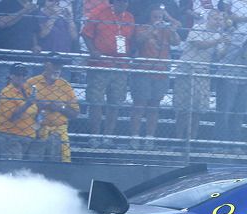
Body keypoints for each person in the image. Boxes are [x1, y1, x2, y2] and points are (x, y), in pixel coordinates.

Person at [82, 0, 135, 148]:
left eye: (126, 2)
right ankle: (94, 136)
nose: (124, 4)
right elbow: (86, 33)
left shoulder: (130, 17)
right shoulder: (100, 11)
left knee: (115, 103)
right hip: (100, 65)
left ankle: (108, 137)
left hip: (120, 66)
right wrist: (93, 50)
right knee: (96, 102)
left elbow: (131, 40)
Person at [129, 4, 181, 150]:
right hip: (143, 71)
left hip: (161, 72)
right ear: (149, 17)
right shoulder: (142, 27)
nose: (158, 20)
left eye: (160, 17)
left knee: (154, 107)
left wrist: (171, 28)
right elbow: (138, 40)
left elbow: (177, 42)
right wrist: (153, 28)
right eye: (155, 17)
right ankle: (134, 137)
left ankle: (149, 138)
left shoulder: (166, 30)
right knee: (139, 105)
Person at [214, 11, 247, 142]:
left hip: (246, 80)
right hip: (228, 76)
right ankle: (219, 143)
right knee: (224, 112)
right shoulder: (241, 32)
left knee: (239, 113)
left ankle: (234, 143)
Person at [175, 9, 228, 141]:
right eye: (215, 18)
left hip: (203, 72)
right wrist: (218, 41)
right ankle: (178, 138)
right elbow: (199, 45)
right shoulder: (198, 28)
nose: (218, 21)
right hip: (187, 70)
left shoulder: (219, 35)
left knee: (198, 109)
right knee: (183, 108)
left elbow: (219, 56)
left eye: (220, 19)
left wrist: (227, 45)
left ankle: (192, 138)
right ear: (208, 19)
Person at [25, 53, 79, 162]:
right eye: (54, 65)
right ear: (46, 65)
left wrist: (61, 107)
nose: (57, 68)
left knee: (63, 164)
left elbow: (75, 113)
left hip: (59, 130)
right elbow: (21, 106)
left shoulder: (65, 85)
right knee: (34, 163)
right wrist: (39, 106)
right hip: (36, 129)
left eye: (60, 65)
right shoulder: (32, 82)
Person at [0, 63, 39, 160]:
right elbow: (12, 117)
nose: (21, 77)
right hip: (11, 136)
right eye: (18, 75)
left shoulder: (27, 91)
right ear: (11, 76)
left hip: (28, 136)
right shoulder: (6, 92)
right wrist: (28, 103)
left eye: (23, 75)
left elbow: (34, 113)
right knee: (13, 168)